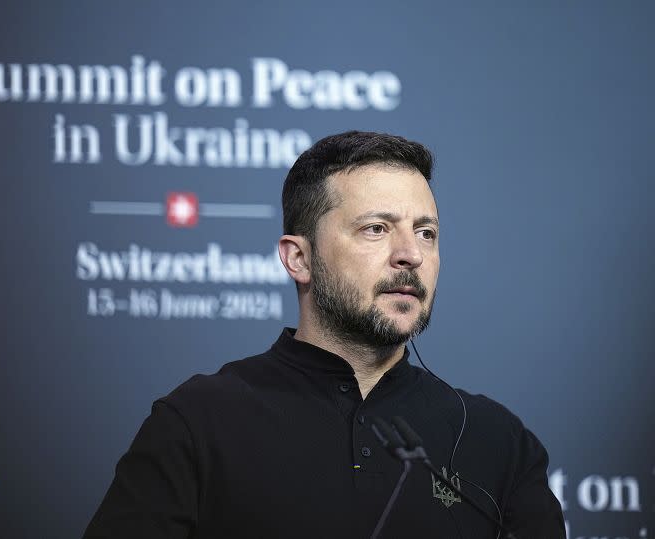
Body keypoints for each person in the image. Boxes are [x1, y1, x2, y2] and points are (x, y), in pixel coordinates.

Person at [83, 131, 565, 538]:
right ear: (299, 258)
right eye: (376, 229)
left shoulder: (497, 440)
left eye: (426, 233)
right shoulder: (196, 422)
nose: (410, 255)